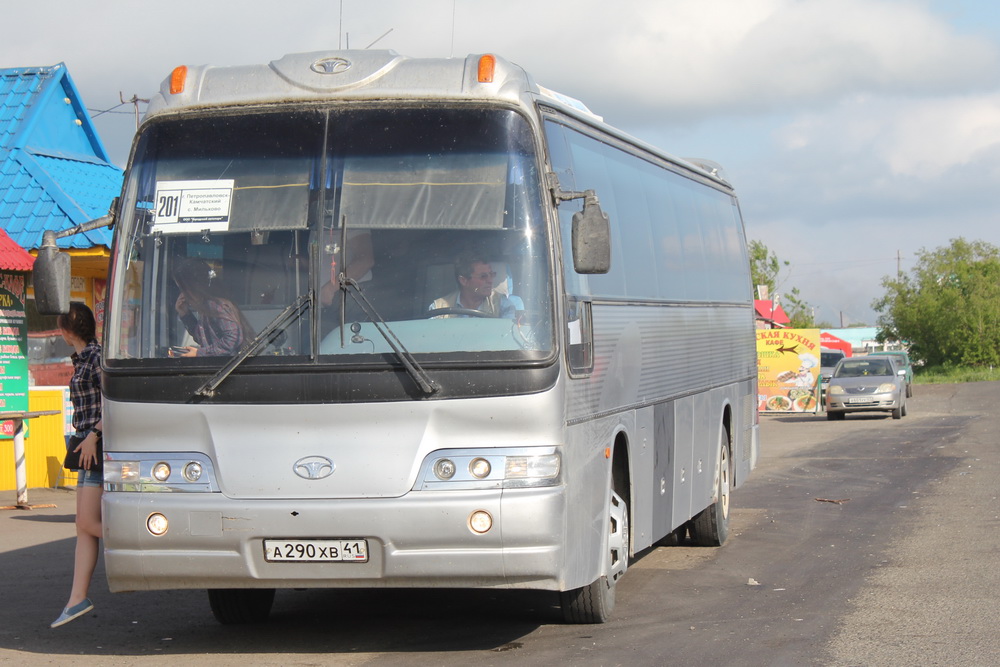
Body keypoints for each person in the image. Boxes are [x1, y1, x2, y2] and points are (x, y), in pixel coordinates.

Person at [51, 303, 103, 628]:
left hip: (96, 444)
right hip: (85, 444)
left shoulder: (96, 358)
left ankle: (145, 544)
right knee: (81, 524)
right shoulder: (82, 358)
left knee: (87, 521)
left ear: (68, 330)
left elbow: (116, 402)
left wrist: (95, 435)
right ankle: (76, 598)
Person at [171, 258, 255, 357]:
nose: (182, 294)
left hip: (229, 367)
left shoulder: (214, 305)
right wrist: (185, 314)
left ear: (193, 287)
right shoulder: (206, 308)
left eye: (183, 288)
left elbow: (233, 338)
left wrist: (199, 353)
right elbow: (203, 338)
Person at [428, 251, 516, 318]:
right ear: (464, 281)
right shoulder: (438, 309)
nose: (490, 280)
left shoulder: (502, 305)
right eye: (483, 276)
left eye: (491, 274)